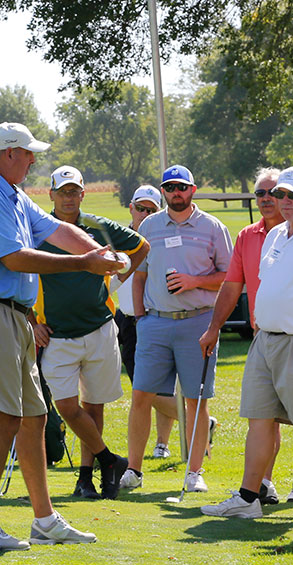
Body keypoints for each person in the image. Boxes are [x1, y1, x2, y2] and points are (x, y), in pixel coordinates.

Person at [0, 122, 121, 550]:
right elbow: (13, 258)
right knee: (5, 417)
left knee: (34, 417)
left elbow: (57, 231)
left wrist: (96, 252)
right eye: (28, 154)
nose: (33, 161)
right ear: (9, 153)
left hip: (11, 314)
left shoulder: (12, 193)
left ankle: (44, 520)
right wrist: (84, 265)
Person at [199, 165, 293, 521]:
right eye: (280, 194)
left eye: (292, 195)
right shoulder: (277, 234)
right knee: (259, 419)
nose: (284, 200)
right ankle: (249, 497)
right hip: (265, 339)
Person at [32, 166, 148, 500]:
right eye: (62, 192)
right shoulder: (38, 230)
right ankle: (109, 460)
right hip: (55, 333)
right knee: (68, 407)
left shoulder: (97, 226)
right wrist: (32, 322)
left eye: (74, 191)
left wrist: (117, 279)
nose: (68, 198)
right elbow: (16, 273)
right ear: (51, 195)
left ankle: (87, 478)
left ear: (83, 194)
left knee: (94, 406)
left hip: (99, 328)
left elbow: (141, 247)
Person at [121, 164, 232, 494]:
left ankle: (194, 472)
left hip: (198, 322)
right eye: (170, 187)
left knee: (196, 400)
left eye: (182, 187)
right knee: (141, 396)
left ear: (192, 190)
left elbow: (229, 277)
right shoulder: (150, 226)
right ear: (163, 191)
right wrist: (140, 318)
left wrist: (195, 281)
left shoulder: (213, 227)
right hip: (154, 322)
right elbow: (139, 276)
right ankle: (133, 470)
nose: (176, 192)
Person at [221, 167, 291, 505]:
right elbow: (232, 285)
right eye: (260, 193)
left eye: (272, 193)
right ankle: (263, 483)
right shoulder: (247, 236)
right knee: (264, 416)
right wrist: (213, 328)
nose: (265, 199)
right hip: (262, 334)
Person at [113, 184, 179, 461]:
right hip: (127, 320)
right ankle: (197, 421)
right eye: (141, 208)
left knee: (161, 387)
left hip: (155, 317)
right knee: (142, 389)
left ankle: (163, 443)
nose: (145, 214)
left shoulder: (164, 238)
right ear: (131, 208)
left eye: (151, 210)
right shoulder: (117, 238)